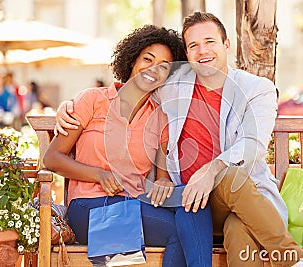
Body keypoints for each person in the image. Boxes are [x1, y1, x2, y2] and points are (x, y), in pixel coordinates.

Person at [55, 12, 303, 267]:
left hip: (240, 201)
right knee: (189, 209)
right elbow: (129, 91)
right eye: (193, 45)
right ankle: (296, 260)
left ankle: (292, 260)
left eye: (210, 42)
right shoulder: (165, 89)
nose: (202, 51)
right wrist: (68, 107)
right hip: (151, 203)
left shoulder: (255, 89)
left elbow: (252, 145)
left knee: (237, 227)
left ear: (227, 45)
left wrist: (203, 171)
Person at [43, 24, 213, 267]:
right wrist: (100, 175)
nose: (153, 69)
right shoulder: (93, 100)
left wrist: (164, 182)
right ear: (132, 60)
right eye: (147, 59)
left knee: (193, 200)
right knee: (179, 231)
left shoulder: (160, 117)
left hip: (134, 202)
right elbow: (52, 159)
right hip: (88, 208)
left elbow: (162, 178)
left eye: (163, 66)